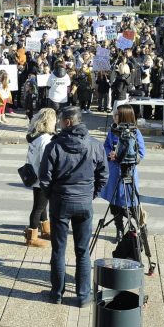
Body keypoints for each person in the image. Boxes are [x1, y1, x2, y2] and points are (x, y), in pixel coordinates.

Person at [39, 106, 108, 307]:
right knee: (82, 250)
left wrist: (53, 195)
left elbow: (44, 178)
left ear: (68, 122)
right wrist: (90, 194)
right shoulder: (94, 144)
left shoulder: (54, 146)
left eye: (61, 120)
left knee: (58, 250)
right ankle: (83, 295)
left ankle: (57, 293)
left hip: (61, 202)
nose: (59, 123)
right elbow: (103, 175)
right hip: (84, 202)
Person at [99, 104, 145, 242]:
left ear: (124, 116)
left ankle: (139, 226)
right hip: (114, 172)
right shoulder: (112, 131)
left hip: (128, 173)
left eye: (116, 115)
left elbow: (141, 152)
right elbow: (106, 146)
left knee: (131, 202)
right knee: (114, 202)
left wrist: (126, 157)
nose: (113, 117)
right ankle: (119, 229)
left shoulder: (135, 132)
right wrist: (110, 154)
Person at [24, 108, 57, 248]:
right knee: (38, 207)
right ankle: (31, 237)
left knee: (42, 206)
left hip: (34, 174)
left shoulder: (35, 135)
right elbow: (47, 161)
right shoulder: (45, 139)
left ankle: (45, 230)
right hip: (41, 177)